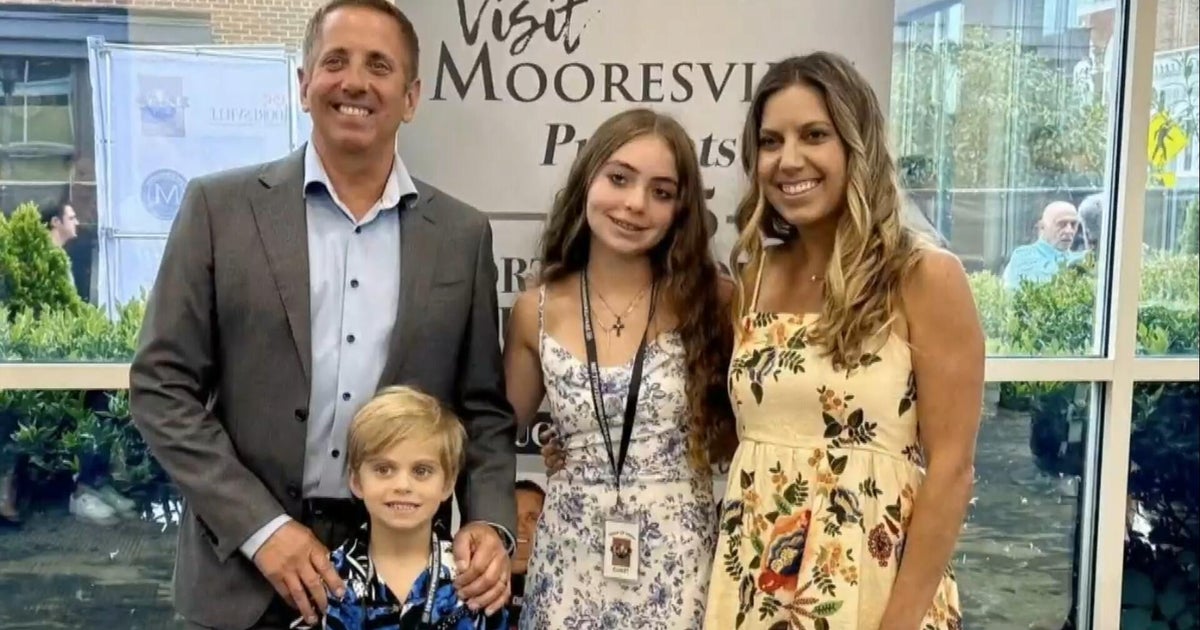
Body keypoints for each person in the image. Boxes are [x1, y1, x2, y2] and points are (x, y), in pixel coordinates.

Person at [129, 1, 516, 628]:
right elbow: (160, 388)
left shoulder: (461, 236)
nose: (354, 82)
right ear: (304, 83)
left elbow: (484, 411)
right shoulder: (218, 210)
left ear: (411, 97)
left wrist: (490, 522)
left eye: (379, 66)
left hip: (401, 582)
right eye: (335, 61)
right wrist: (262, 529)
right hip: (242, 577)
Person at [704, 53, 982, 629]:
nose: (789, 160)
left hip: (874, 590)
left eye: (814, 135)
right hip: (756, 582)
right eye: (771, 141)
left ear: (858, 145)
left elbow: (952, 470)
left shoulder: (925, 278)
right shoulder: (753, 278)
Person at [503, 108, 735, 629]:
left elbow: (756, 428)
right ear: (588, 178)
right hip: (568, 563)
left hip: (679, 564)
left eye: (661, 191)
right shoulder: (535, 310)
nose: (635, 204)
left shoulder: (714, 302)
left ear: (681, 209)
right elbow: (491, 440)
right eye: (620, 178)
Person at [291, 386, 507, 630]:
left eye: (421, 471)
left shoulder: (476, 581)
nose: (403, 485)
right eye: (384, 469)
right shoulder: (326, 580)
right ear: (356, 481)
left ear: (448, 483)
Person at [1002, 201, 1086, 289]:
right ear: (1042, 227)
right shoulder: (1024, 256)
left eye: (1073, 224)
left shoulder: (1083, 259)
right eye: (1061, 224)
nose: (1069, 231)